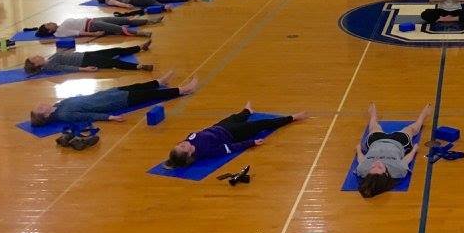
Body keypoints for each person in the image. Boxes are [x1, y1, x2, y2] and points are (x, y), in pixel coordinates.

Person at [164, 103, 308, 168]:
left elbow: (193, 136)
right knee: (262, 124)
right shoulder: (206, 150)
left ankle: (247, 111)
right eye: (182, 146)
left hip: (219, 127)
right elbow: (230, 148)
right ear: (188, 153)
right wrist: (251, 143)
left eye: (179, 144)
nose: (181, 143)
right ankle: (292, 118)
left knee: (235, 117)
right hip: (233, 134)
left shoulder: (188, 142)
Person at [29, 71, 198, 126]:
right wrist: (110, 117)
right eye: (40, 109)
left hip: (106, 94)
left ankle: (160, 82)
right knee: (149, 96)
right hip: (111, 102)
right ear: (45, 115)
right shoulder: (64, 114)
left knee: (136, 86)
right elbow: (87, 116)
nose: (40, 104)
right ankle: (183, 90)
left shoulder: (58, 106)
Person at [355, 102, 432, 198]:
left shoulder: (363, 170)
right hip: (398, 143)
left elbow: (361, 160)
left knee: (374, 128)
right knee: (412, 129)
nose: (376, 163)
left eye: (372, 167)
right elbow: (406, 160)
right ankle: (424, 115)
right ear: (386, 173)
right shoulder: (397, 171)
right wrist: (414, 150)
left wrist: (358, 150)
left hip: (376, 142)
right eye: (379, 168)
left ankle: (373, 115)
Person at [24, 39, 154, 76]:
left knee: (115, 50)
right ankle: (139, 67)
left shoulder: (49, 59)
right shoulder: (48, 66)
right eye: (34, 58)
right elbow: (66, 67)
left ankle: (140, 47)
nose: (36, 56)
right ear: (36, 64)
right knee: (113, 62)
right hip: (86, 61)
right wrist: (84, 69)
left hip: (86, 55)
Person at [32, 15, 161, 40]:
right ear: (50, 30)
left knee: (122, 20)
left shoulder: (60, 26)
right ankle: (140, 34)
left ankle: (149, 21)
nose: (50, 22)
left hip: (93, 20)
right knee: (117, 28)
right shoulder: (59, 33)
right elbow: (78, 33)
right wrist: (94, 34)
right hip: (92, 26)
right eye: (48, 25)